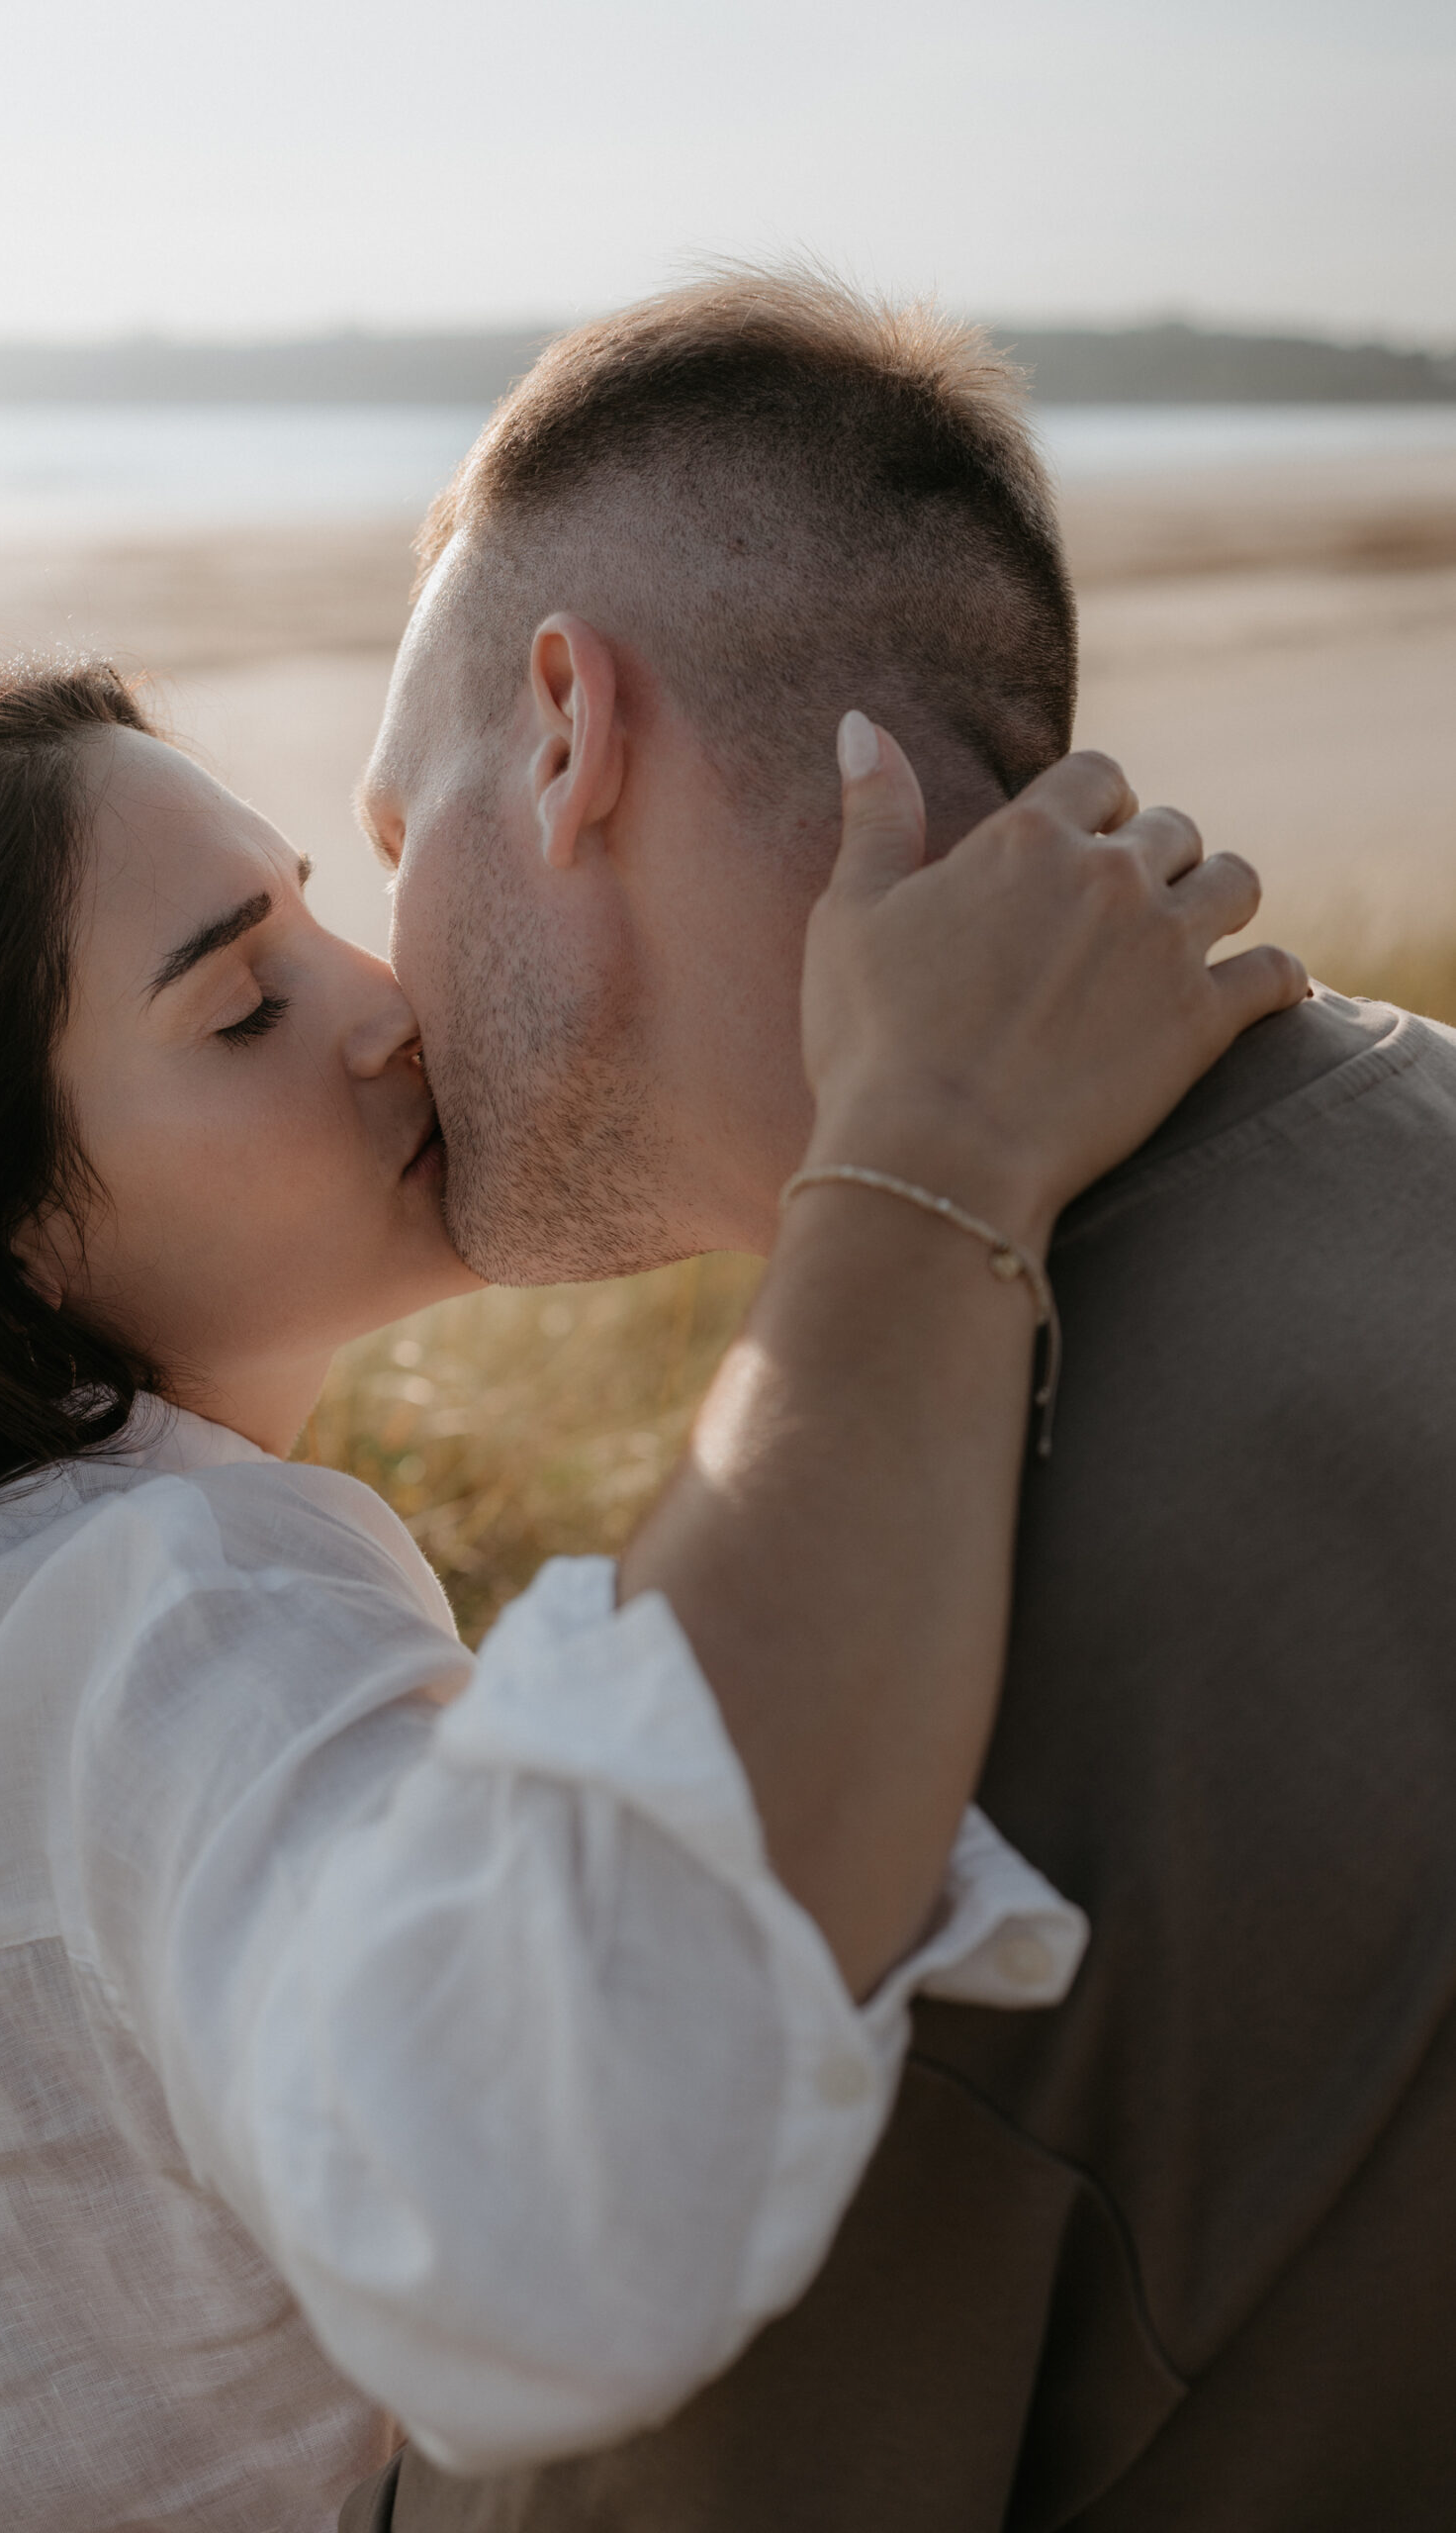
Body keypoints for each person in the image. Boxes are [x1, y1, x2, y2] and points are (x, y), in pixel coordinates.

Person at [0, 665, 1290, 2533]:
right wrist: (932, 1153)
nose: (383, 1015)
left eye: (323, 915)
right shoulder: (151, 1599)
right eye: (242, 1005)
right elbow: (535, 2188)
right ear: (0, 1228)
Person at [339, 272, 1456, 2533]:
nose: (374, 988)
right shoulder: (1402, 1130)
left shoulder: (886, 1655)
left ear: (566, 732)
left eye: (393, 833)